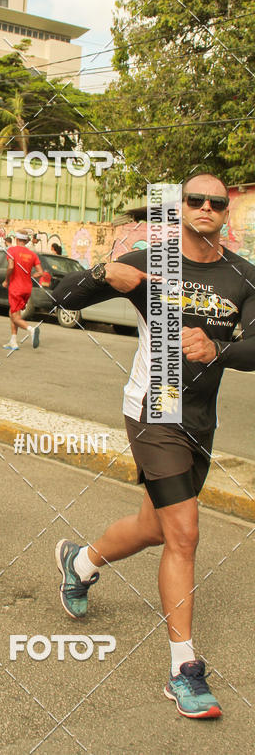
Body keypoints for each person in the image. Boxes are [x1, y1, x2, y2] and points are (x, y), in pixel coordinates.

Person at [53, 173, 255, 719]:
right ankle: (184, 670)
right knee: (185, 534)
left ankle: (80, 561)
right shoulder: (152, 261)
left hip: (201, 420)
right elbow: (59, 297)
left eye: (217, 201)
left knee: (156, 526)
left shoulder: (243, 276)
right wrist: (103, 273)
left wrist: (218, 348)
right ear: (180, 207)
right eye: (195, 199)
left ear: (226, 211)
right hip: (154, 407)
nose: (206, 207)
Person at [2, 231, 44, 351]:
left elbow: (10, 266)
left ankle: (31, 330)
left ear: (16, 239)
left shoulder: (12, 250)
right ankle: (13, 341)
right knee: (14, 313)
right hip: (27, 288)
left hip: (16, 287)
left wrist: (6, 280)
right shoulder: (32, 254)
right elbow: (41, 272)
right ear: (26, 241)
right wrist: (31, 275)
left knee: (15, 317)